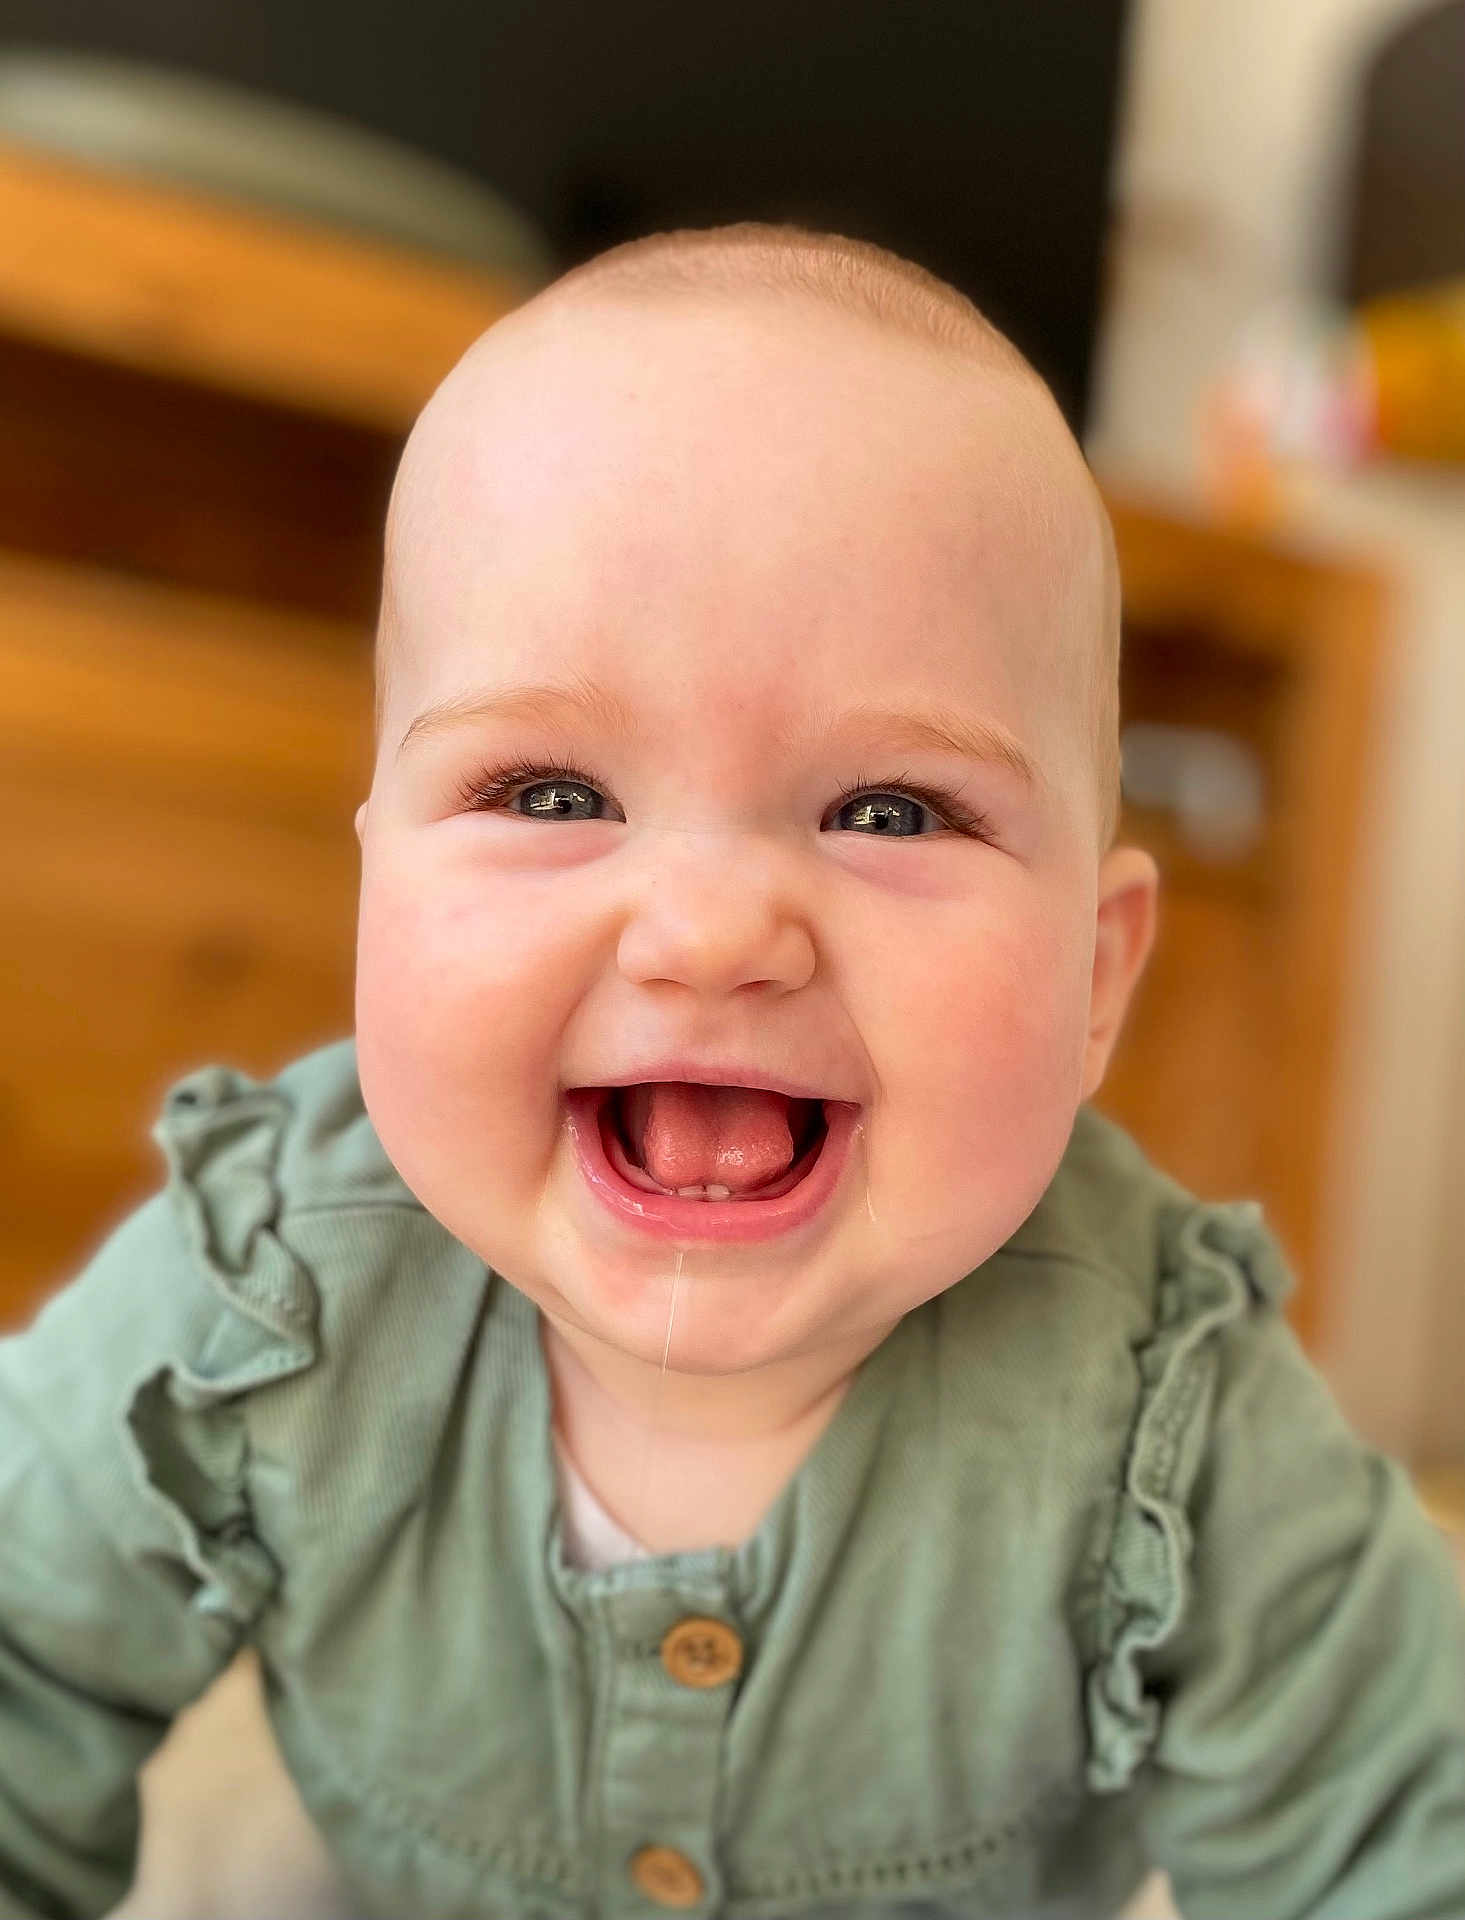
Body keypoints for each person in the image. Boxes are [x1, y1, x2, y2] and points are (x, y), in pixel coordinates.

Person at [2, 224, 1461, 1920]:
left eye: (889, 811)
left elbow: (1401, 1860)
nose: (705, 931)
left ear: (1091, 976)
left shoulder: (1167, 1411)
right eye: (551, 794)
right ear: (373, 888)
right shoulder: (255, 1305)